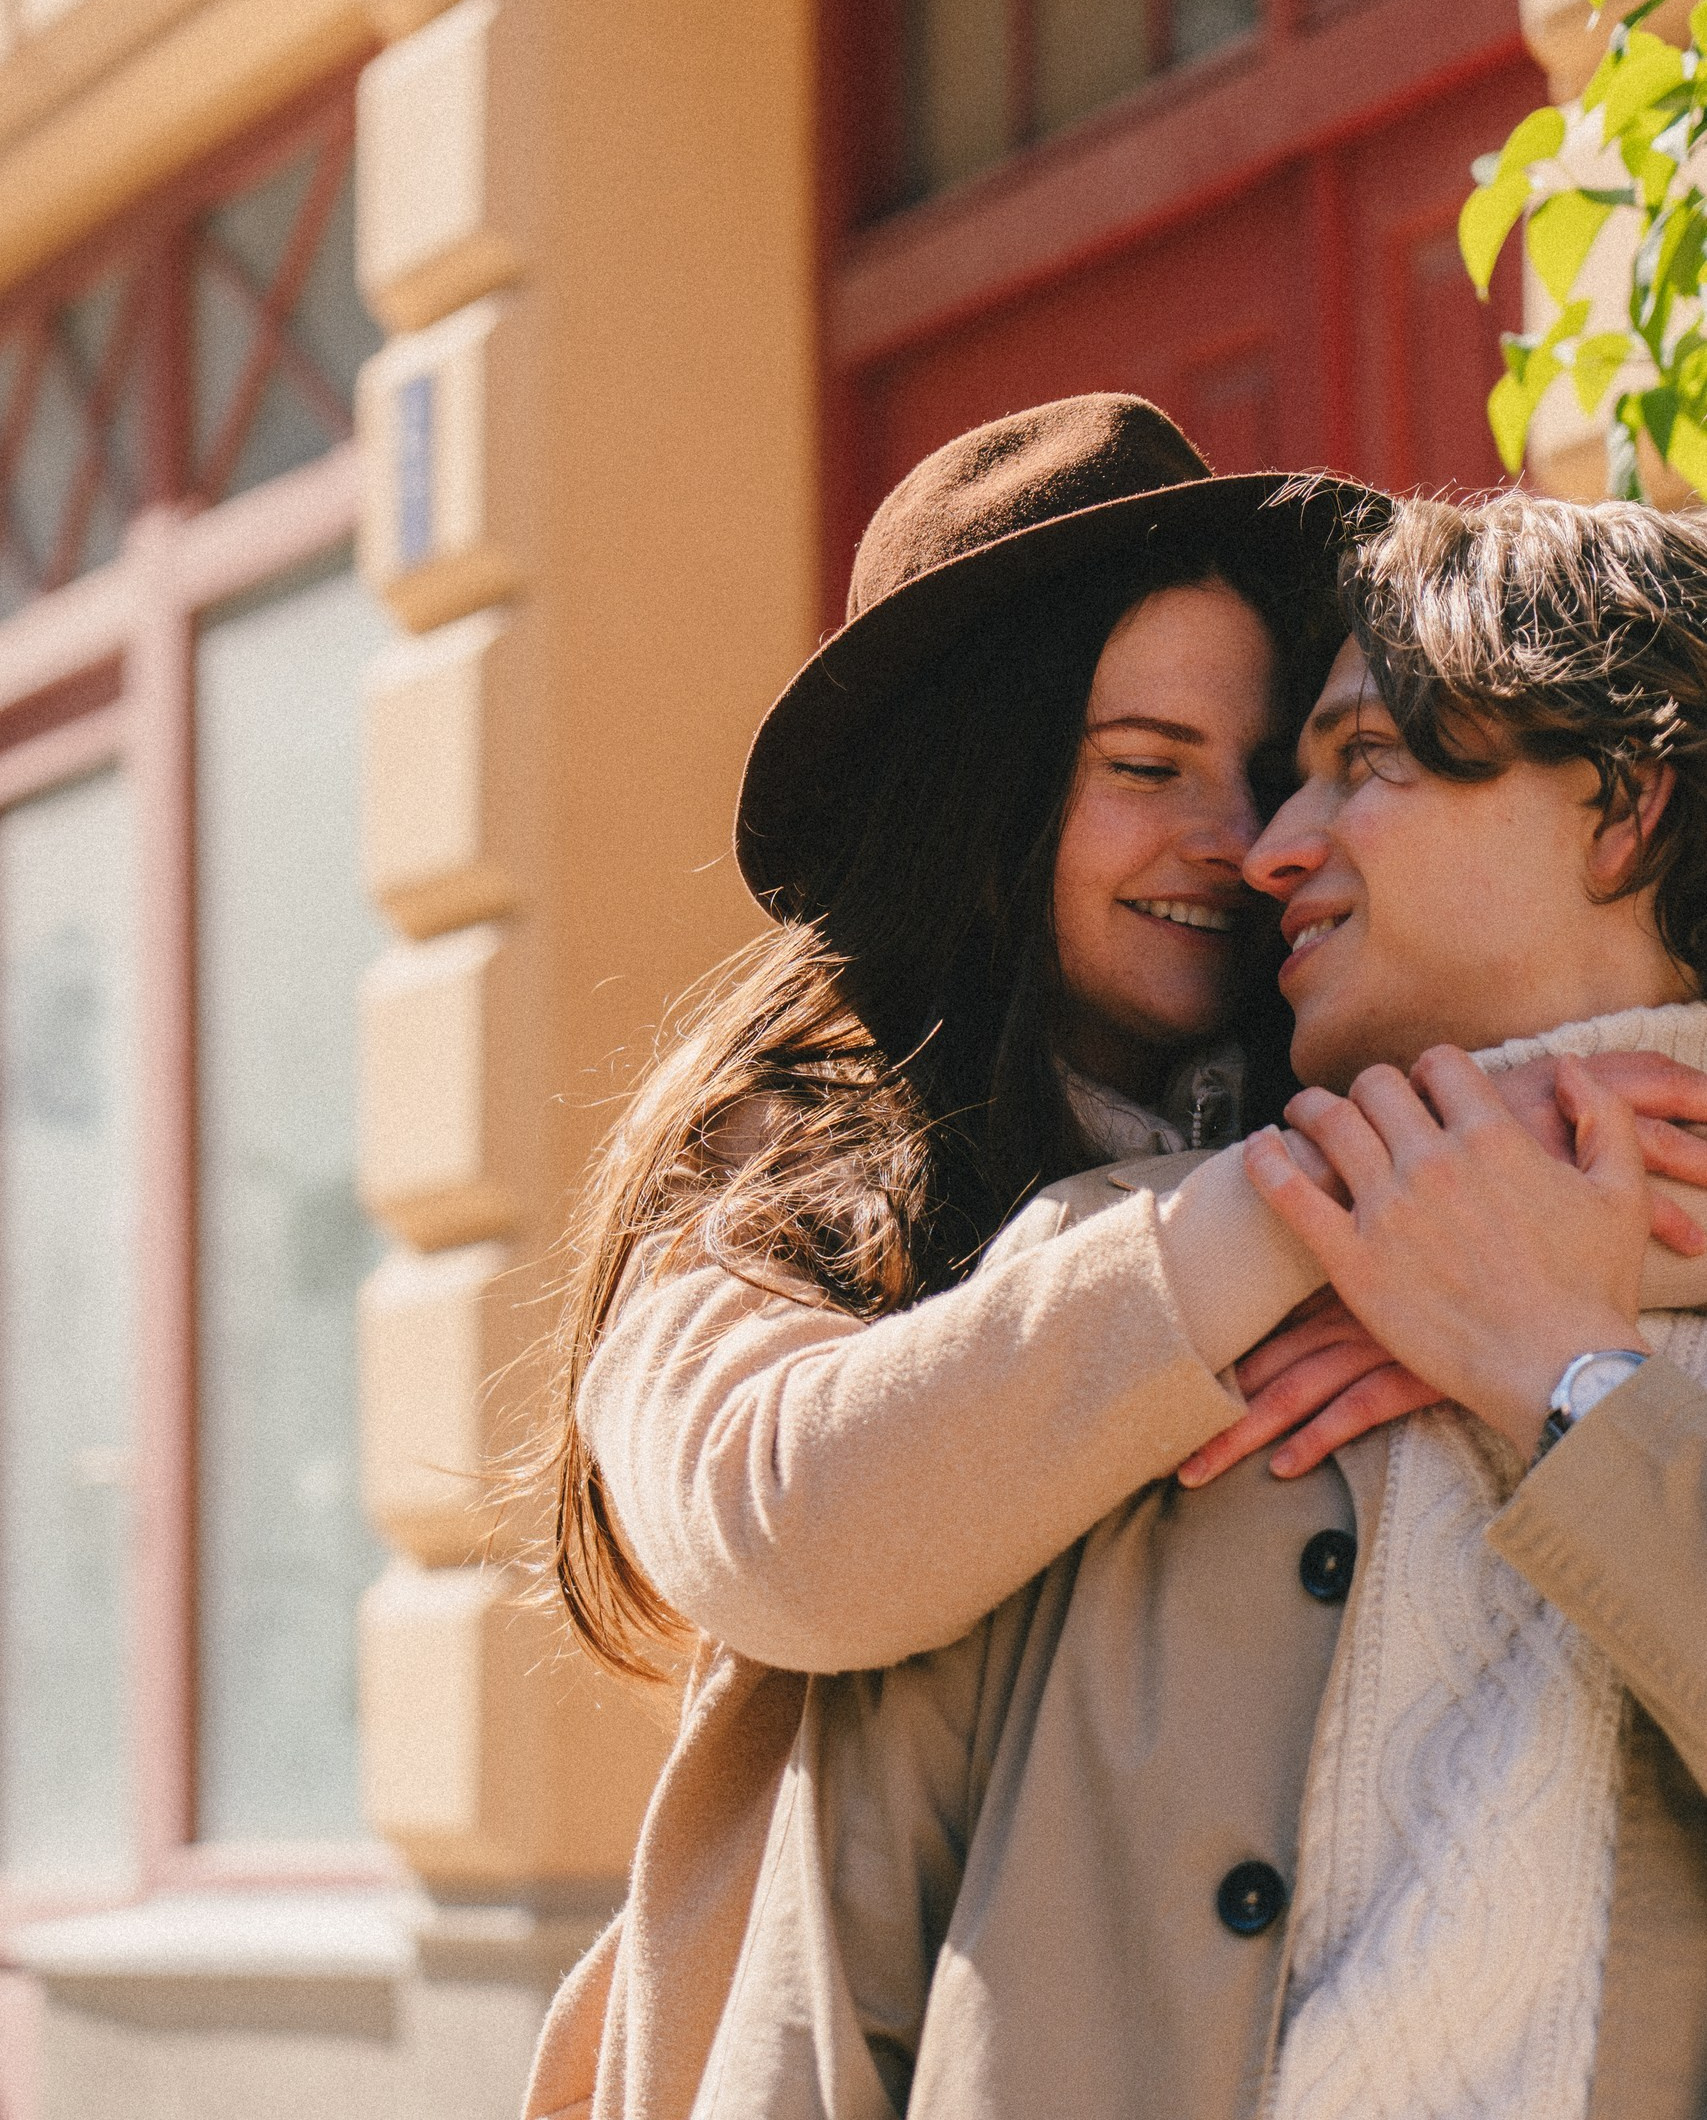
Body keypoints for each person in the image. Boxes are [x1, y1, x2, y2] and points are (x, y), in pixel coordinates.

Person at [521, 414, 1707, 2120]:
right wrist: (1363, 1202)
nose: (1246, 838)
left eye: (1282, 767)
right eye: (1147, 767)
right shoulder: (780, 1178)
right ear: (981, 793)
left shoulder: (1376, 1091)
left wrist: (1538, 1285)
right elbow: (795, 1518)